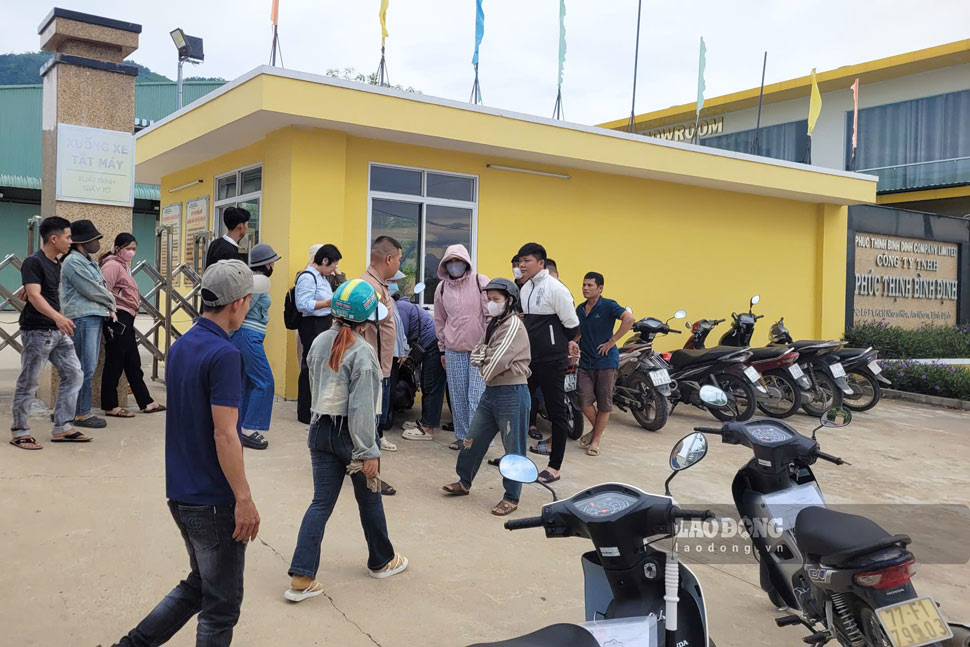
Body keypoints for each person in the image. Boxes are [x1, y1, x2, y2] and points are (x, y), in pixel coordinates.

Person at [112, 260, 268, 647]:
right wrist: (244, 499)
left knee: (200, 586)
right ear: (238, 303)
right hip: (212, 500)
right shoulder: (225, 354)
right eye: (249, 301)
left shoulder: (182, 346)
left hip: (182, 492)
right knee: (221, 608)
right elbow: (225, 434)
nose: (248, 307)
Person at [284, 278, 408, 603]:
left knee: (320, 504)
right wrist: (369, 452)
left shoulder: (318, 341)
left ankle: (301, 577)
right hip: (352, 437)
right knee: (370, 498)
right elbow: (362, 409)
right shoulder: (363, 353)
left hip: (320, 431)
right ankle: (382, 561)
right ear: (367, 320)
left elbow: (315, 383)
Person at [442, 278, 531, 516]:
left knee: (513, 449)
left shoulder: (513, 325)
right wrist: (484, 358)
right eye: (489, 299)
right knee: (473, 439)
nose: (491, 303)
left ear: (509, 301)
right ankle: (464, 481)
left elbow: (494, 363)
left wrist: (484, 360)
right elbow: (477, 351)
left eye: (496, 299)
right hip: (491, 392)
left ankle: (511, 497)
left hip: (512, 393)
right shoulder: (494, 323)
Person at [9, 217, 87, 450]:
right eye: (68, 237)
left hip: (57, 331)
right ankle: (20, 431)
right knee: (29, 381)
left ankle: (62, 426)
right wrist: (58, 317)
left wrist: (59, 319)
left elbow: (41, 292)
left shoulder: (57, 263)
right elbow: (34, 295)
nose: (71, 241)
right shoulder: (34, 262)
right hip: (37, 331)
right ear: (54, 238)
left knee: (74, 374)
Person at [517, 242, 580, 484]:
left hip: (552, 361)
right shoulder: (525, 288)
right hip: (529, 359)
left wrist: (559, 344)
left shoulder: (556, 289)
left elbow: (572, 326)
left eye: (527, 261)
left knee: (556, 412)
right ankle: (516, 457)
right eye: (521, 261)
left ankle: (554, 467)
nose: (522, 265)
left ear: (541, 263)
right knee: (521, 406)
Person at [99, 233, 165, 418]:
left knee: (132, 361)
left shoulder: (122, 266)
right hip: (118, 317)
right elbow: (102, 291)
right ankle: (110, 405)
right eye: (128, 248)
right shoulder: (112, 266)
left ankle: (146, 401)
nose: (131, 252)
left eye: (134, 249)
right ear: (117, 248)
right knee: (115, 361)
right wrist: (110, 311)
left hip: (127, 317)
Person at [60, 219, 116, 430]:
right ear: (81, 241)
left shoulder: (87, 260)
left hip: (92, 316)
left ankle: (67, 411)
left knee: (81, 367)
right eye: (94, 239)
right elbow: (92, 289)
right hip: (83, 317)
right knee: (85, 367)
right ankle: (82, 413)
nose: (97, 243)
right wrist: (111, 302)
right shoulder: (73, 261)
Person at [433, 244, 489, 451]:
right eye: (450, 261)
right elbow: (440, 320)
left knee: (476, 396)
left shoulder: (480, 282)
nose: (454, 265)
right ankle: (462, 437)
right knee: (457, 397)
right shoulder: (442, 288)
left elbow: (490, 315)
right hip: (453, 349)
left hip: (479, 349)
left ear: (466, 262)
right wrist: (442, 349)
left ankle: (477, 440)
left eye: (458, 261)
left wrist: (488, 344)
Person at [360, 236, 403, 495]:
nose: (399, 265)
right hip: (372, 369)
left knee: (372, 424)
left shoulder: (379, 286)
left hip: (380, 367)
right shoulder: (369, 289)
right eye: (398, 259)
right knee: (371, 427)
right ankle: (370, 477)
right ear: (389, 259)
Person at [575, 272, 634, 456]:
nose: (585, 288)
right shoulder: (580, 309)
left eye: (590, 285)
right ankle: (596, 431)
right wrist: (572, 342)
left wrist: (612, 341)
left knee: (604, 403)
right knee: (584, 401)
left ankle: (596, 440)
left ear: (600, 288)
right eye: (584, 285)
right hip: (585, 361)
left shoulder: (608, 305)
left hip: (606, 362)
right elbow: (579, 331)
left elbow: (629, 319)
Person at [230, 242, 281, 450]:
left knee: (248, 381)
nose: (273, 266)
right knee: (264, 381)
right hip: (248, 335)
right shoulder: (258, 282)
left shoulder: (251, 280)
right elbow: (244, 307)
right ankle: (249, 429)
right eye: (272, 262)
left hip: (246, 336)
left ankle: (241, 425)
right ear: (267, 264)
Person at [296, 244, 342, 424]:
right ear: (324, 261)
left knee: (320, 366)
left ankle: (315, 407)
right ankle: (305, 411)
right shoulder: (307, 277)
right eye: (333, 265)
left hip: (323, 322)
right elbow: (303, 304)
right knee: (310, 365)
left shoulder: (322, 277)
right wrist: (328, 303)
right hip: (312, 324)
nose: (334, 269)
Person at [397, 288, 445, 442]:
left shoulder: (399, 308)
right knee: (427, 383)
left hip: (434, 344)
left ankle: (427, 428)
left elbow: (401, 336)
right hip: (432, 343)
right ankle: (425, 421)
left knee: (431, 385)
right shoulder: (403, 305)